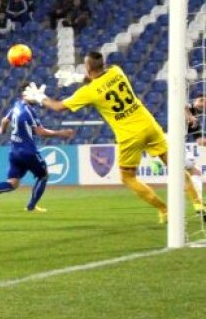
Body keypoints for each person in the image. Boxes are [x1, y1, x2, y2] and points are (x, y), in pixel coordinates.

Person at [24, 51, 204, 222]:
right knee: (174, 166)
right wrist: (80, 78)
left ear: (87, 67)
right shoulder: (117, 71)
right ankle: (198, 204)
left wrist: (40, 98)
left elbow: (58, 107)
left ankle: (164, 210)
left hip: (129, 135)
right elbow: (102, 79)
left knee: (128, 178)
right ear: (103, 63)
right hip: (149, 124)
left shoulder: (89, 91)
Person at [0, 85, 75, 212]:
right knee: (43, 176)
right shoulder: (29, 111)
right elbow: (40, 132)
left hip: (14, 152)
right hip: (28, 151)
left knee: (13, 183)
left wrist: (1, 130)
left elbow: (4, 120)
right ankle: (31, 207)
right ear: (26, 94)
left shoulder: (16, 106)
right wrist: (60, 133)